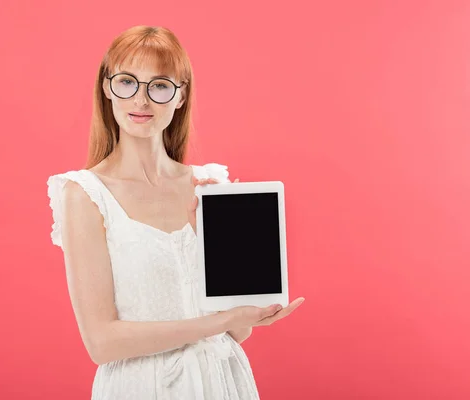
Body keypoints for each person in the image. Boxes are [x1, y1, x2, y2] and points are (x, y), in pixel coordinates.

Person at [47, 25, 305, 400]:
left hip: (222, 380)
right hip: (140, 386)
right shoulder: (85, 195)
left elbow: (236, 330)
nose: (142, 100)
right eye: (127, 82)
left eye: (160, 86)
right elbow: (102, 343)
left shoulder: (208, 186)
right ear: (107, 88)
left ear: (180, 96)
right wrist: (218, 322)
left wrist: (239, 294)